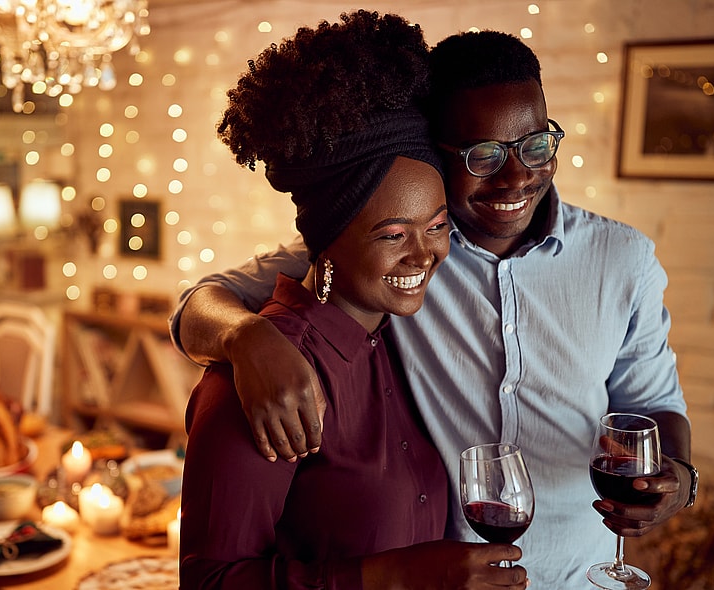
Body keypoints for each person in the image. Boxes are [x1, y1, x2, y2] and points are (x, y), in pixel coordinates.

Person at [171, 29, 696, 588]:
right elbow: (197, 305)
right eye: (483, 155)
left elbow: (653, 400)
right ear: (440, 151)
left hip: (582, 575)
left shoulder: (623, 258)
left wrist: (680, 482)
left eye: (536, 145)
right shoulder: (379, 254)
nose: (517, 176)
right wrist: (244, 339)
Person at [180, 11, 528, 590]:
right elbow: (210, 581)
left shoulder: (406, 341)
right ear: (322, 241)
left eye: (437, 226)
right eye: (392, 234)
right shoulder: (264, 384)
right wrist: (391, 576)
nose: (424, 256)